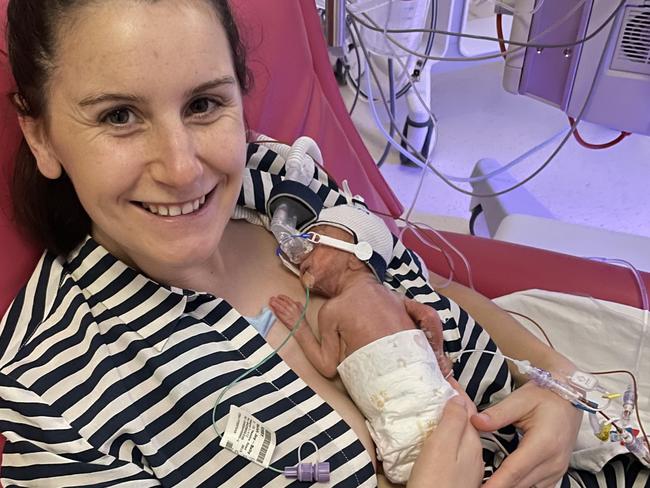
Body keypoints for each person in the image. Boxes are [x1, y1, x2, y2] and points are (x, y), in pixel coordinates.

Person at [0, 0, 646, 487]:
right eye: (119, 116)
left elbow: (435, 289)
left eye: (203, 104)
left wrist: (562, 383)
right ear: (42, 135)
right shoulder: (52, 404)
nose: (181, 167)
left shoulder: (288, 187)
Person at [269, 204, 463, 484]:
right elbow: (428, 316)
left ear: (356, 256)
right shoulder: (390, 298)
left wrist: (300, 327)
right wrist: (437, 354)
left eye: (316, 240)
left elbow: (327, 365)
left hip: (414, 415)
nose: (303, 256)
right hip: (434, 409)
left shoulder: (336, 310)